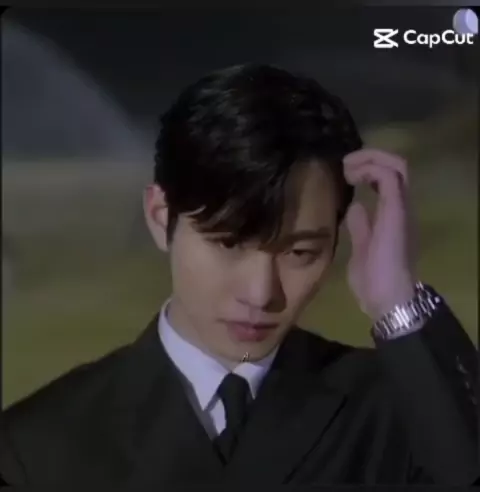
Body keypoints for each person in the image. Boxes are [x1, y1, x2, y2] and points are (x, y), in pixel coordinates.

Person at [0, 64, 478, 488]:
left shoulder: (399, 409)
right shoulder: (38, 443)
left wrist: (396, 300)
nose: (261, 293)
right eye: (228, 244)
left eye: (300, 251)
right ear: (160, 217)